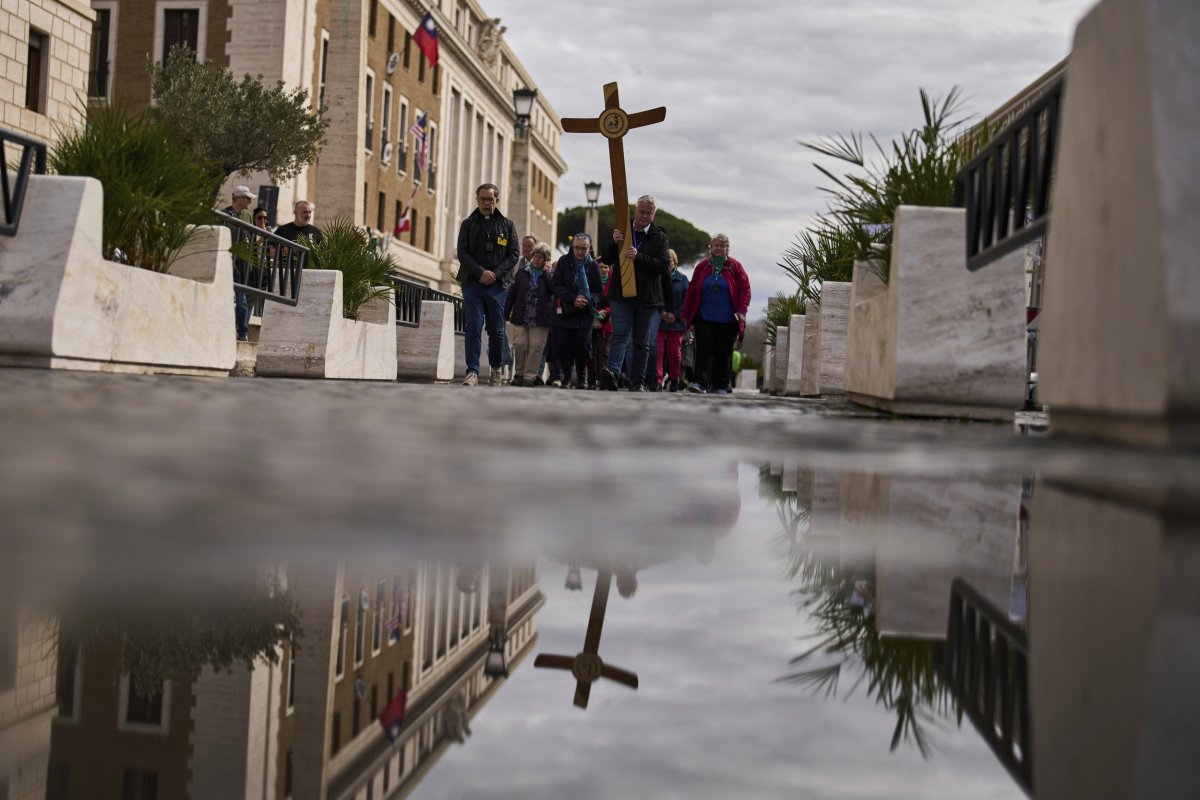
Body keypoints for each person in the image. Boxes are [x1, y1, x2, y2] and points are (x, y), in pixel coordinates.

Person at [598, 195, 672, 392]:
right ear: (635, 210)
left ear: (654, 214)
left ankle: (637, 381)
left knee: (641, 341)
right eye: (642, 211)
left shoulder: (660, 237)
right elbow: (606, 257)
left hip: (647, 298)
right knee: (620, 334)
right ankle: (613, 373)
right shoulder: (622, 229)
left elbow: (663, 266)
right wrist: (613, 242)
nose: (645, 216)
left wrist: (639, 257)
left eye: (649, 213)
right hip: (621, 294)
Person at [456, 183, 519, 386]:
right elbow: (462, 253)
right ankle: (472, 371)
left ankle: (496, 368)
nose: (486, 203)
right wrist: (480, 272)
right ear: (477, 200)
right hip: (473, 283)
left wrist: (496, 274)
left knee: (497, 330)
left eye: (490, 199)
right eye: (482, 199)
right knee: (474, 325)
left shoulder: (507, 225)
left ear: (497, 201)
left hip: (498, 286)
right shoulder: (468, 224)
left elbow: (514, 254)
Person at [681, 234, 751, 395]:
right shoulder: (702, 266)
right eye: (716, 245)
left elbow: (745, 290)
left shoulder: (735, 266)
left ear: (727, 248)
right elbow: (691, 291)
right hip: (704, 317)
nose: (719, 248)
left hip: (728, 319)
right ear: (710, 248)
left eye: (722, 245)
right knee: (703, 351)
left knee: (724, 352)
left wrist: (741, 310)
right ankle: (699, 383)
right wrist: (686, 314)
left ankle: (721, 385)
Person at [550, 233, 604, 389]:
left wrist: (587, 300)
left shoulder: (593, 265)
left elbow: (599, 292)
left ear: (589, 248)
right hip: (564, 311)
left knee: (583, 345)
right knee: (562, 346)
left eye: (584, 248)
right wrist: (573, 298)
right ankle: (566, 377)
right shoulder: (563, 262)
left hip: (584, 313)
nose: (580, 251)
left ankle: (582, 377)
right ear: (572, 247)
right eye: (577, 248)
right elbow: (556, 285)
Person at [504, 241, 554, 386]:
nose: (537, 259)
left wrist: (548, 273)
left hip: (541, 318)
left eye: (541, 257)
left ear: (546, 260)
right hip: (521, 316)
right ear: (532, 256)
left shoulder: (549, 275)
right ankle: (519, 374)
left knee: (536, 347)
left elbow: (554, 290)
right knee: (519, 345)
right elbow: (511, 294)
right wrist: (505, 314)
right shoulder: (521, 272)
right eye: (536, 256)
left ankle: (529, 377)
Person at [221, 186, 256, 342]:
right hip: (228, 261)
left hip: (243, 262)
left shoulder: (247, 215)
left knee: (242, 297)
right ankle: (238, 332)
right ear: (240, 198)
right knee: (232, 297)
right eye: (247, 198)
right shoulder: (223, 215)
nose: (250, 201)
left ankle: (242, 332)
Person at [655, 249, 688, 391]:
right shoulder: (656, 277)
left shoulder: (683, 279)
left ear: (675, 262)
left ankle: (675, 378)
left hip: (677, 322)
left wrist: (675, 314)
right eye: (665, 261)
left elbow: (687, 301)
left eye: (670, 261)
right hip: (658, 320)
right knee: (658, 351)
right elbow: (653, 296)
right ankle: (657, 380)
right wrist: (662, 313)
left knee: (675, 353)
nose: (668, 263)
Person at [586, 260, 614, 390]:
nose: (603, 269)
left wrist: (606, 312)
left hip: (607, 322)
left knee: (605, 351)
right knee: (591, 351)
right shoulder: (590, 281)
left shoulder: (614, 282)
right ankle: (591, 380)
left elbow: (615, 301)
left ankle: (603, 381)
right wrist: (595, 311)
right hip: (591, 320)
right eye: (600, 267)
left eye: (605, 267)